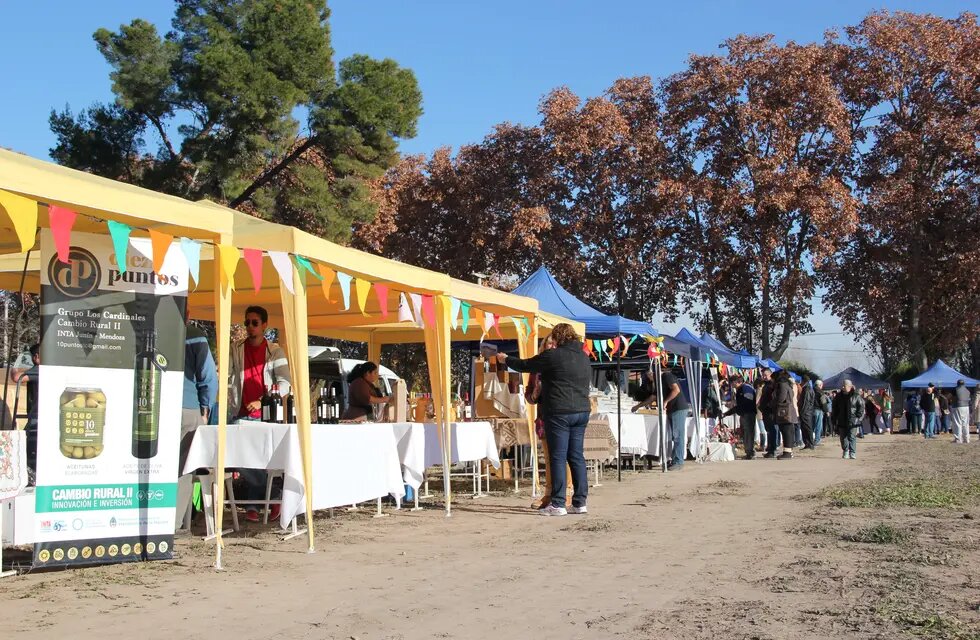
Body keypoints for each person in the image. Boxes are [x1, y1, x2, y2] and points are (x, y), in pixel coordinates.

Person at [498, 323, 591, 516]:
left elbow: (526, 365)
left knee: (557, 455)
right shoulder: (583, 357)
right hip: (581, 411)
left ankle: (558, 504)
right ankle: (580, 502)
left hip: (559, 411)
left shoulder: (553, 355)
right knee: (576, 456)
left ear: (557, 338)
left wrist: (506, 359)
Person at [228, 305, 291, 522]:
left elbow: (285, 383)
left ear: (264, 325)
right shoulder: (235, 348)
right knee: (242, 459)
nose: (250, 327)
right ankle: (273, 497)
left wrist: (262, 400)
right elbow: (228, 377)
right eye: (247, 322)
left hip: (266, 416)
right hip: (240, 413)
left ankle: (254, 505)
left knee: (261, 462)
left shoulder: (275, 352)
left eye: (255, 323)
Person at [177, 322, 217, 529]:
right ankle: (173, 523)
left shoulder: (144, 328)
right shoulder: (195, 335)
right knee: (183, 469)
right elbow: (208, 376)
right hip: (187, 407)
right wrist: (205, 408)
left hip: (150, 407)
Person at [634, 364, 691, 470]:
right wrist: (638, 406)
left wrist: (665, 401)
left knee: (678, 435)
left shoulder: (667, 376)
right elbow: (653, 397)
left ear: (652, 373)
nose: (648, 378)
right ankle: (675, 459)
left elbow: (676, 390)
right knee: (674, 436)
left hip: (678, 408)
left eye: (648, 376)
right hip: (672, 409)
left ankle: (678, 461)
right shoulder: (659, 382)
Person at [8, 344, 40, 481]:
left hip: (37, 420)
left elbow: (16, 377)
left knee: (30, 453)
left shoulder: (40, 370)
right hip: (38, 418)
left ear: (37, 357)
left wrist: (15, 365)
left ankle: (32, 477)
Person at [723, 375, 757, 460]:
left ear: (736, 382)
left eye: (732, 383)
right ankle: (748, 451)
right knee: (745, 433)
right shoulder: (740, 389)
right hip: (744, 413)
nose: (731, 385)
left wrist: (730, 411)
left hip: (748, 413)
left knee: (748, 433)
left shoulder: (746, 389)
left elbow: (746, 403)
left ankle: (750, 452)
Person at [832, 379, 865, 459]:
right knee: (843, 437)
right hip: (841, 420)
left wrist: (858, 418)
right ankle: (845, 451)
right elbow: (834, 408)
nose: (842, 387)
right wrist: (834, 419)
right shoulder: (838, 396)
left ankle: (852, 452)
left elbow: (861, 408)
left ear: (850, 386)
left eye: (845, 385)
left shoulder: (856, 396)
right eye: (842, 385)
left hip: (853, 420)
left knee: (852, 436)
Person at [772, 370, 799, 459]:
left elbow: (781, 397)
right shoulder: (788, 384)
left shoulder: (782, 385)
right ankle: (788, 451)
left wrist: (773, 403)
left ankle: (787, 452)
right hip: (789, 411)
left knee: (786, 431)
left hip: (785, 412)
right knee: (788, 431)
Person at [758, 368, 779, 458]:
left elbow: (775, 398)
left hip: (771, 411)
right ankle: (770, 448)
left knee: (772, 430)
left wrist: (769, 406)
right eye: (763, 375)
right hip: (765, 411)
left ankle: (772, 449)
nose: (764, 377)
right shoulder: (765, 385)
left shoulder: (773, 385)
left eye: (765, 375)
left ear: (770, 374)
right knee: (768, 430)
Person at [950, 379, 971, 444]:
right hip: (966, 407)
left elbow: (950, 397)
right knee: (965, 423)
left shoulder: (955, 389)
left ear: (957, 383)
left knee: (957, 423)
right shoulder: (967, 390)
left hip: (957, 406)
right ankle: (966, 439)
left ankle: (958, 439)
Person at [798, 374, 816, 450]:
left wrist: (802, 412)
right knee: (804, 428)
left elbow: (806, 402)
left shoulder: (807, 389)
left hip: (806, 412)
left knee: (807, 428)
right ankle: (807, 443)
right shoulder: (807, 388)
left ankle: (810, 444)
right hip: (806, 412)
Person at [813, 379, 830, 445]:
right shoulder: (821, 392)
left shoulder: (811, 391)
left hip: (811, 410)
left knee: (812, 426)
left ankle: (811, 439)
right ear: (820, 385)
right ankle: (817, 440)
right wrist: (826, 411)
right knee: (818, 426)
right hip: (819, 410)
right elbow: (824, 403)